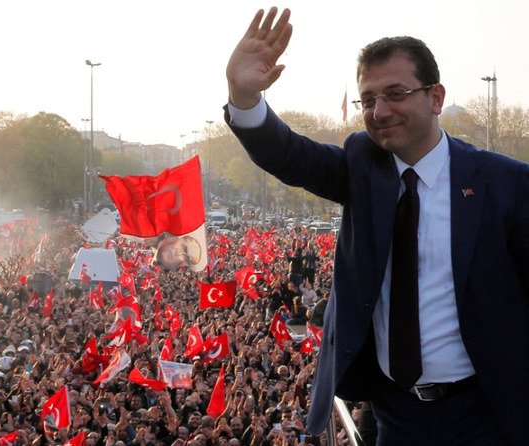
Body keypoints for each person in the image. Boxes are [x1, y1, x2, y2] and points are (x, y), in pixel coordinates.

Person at [224, 7, 529, 446]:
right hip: (392, 412)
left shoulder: (505, 182)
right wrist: (244, 98)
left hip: (484, 410)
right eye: (368, 99)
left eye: (395, 93)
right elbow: (290, 154)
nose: (379, 110)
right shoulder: (361, 164)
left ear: (435, 97)